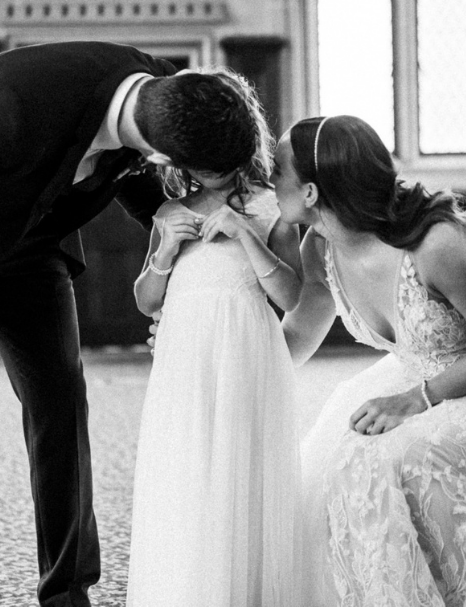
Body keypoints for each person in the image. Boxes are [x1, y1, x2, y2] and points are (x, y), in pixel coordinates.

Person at [0, 41, 267, 607]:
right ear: (168, 158)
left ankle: (68, 593)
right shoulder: (11, 102)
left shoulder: (172, 93)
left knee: (60, 406)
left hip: (29, 245)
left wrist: (172, 224)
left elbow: (138, 178)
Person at [272, 115, 466, 606]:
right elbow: (297, 335)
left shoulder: (437, 243)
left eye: (277, 171)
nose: (268, 181)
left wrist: (417, 399)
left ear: (313, 192)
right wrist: (221, 346)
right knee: (328, 464)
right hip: (405, 374)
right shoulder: (319, 246)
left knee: (375, 458)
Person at [124, 72, 302, 606]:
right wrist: (162, 255)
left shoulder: (272, 209)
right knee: (188, 463)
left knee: (239, 464)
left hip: (244, 347)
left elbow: (291, 294)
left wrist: (247, 236)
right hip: (184, 355)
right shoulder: (168, 211)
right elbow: (147, 300)